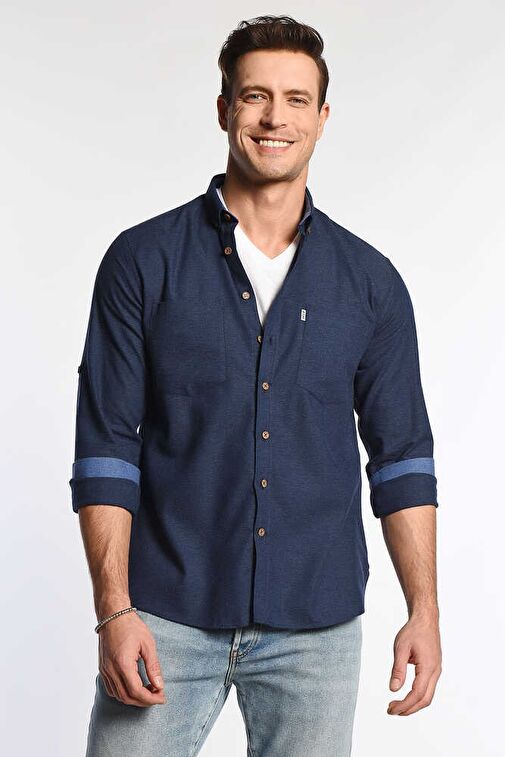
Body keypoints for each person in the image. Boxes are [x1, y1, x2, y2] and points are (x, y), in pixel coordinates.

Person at [69, 14, 442, 757]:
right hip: (164, 613)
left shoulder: (370, 284)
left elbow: (401, 457)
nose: (276, 118)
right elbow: (106, 446)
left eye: (296, 99)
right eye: (255, 96)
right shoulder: (142, 262)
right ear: (223, 110)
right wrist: (114, 611)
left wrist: (423, 609)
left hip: (316, 626)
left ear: (323, 118)